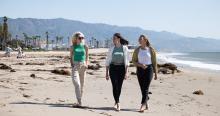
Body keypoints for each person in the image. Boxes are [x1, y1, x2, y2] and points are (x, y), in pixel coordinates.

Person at [132, 35, 158, 112]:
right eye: (139, 39)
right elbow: (133, 61)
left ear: (145, 40)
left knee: (145, 87)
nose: (139, 41)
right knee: (142, 88)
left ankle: (143, 105)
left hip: (149, 69)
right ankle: (146, 99)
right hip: (140, 70)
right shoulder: (137, 50)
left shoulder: (151, 50)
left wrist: (156, 73)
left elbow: (154, 62)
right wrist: (140, 65)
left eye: (141, 39)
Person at [105, 33, 130, 111]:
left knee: (119, 86)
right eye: (113, 38)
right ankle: (117, 102)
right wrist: (106, 73)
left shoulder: (125, 48)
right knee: (114, 85)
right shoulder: (112, 48)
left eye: (115, 38)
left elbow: (127, 61)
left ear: (119, 39)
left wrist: (126, 72)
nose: (113, 40)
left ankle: (116, 101)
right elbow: (108, 61)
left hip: (121, 68)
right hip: (113, 68)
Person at [70, 32, 89, 107]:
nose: (81, 39)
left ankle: (79, 100)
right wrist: (72, 65)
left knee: (82, 85)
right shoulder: (72, 47)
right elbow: (70, 57)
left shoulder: (85, 46)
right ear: (76, 38)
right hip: (75, 66)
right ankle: (79, 101)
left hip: (83, 66)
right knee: (77, 83)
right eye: (80, 38)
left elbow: (87, 56)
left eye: (82, 38)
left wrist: (87, 64)